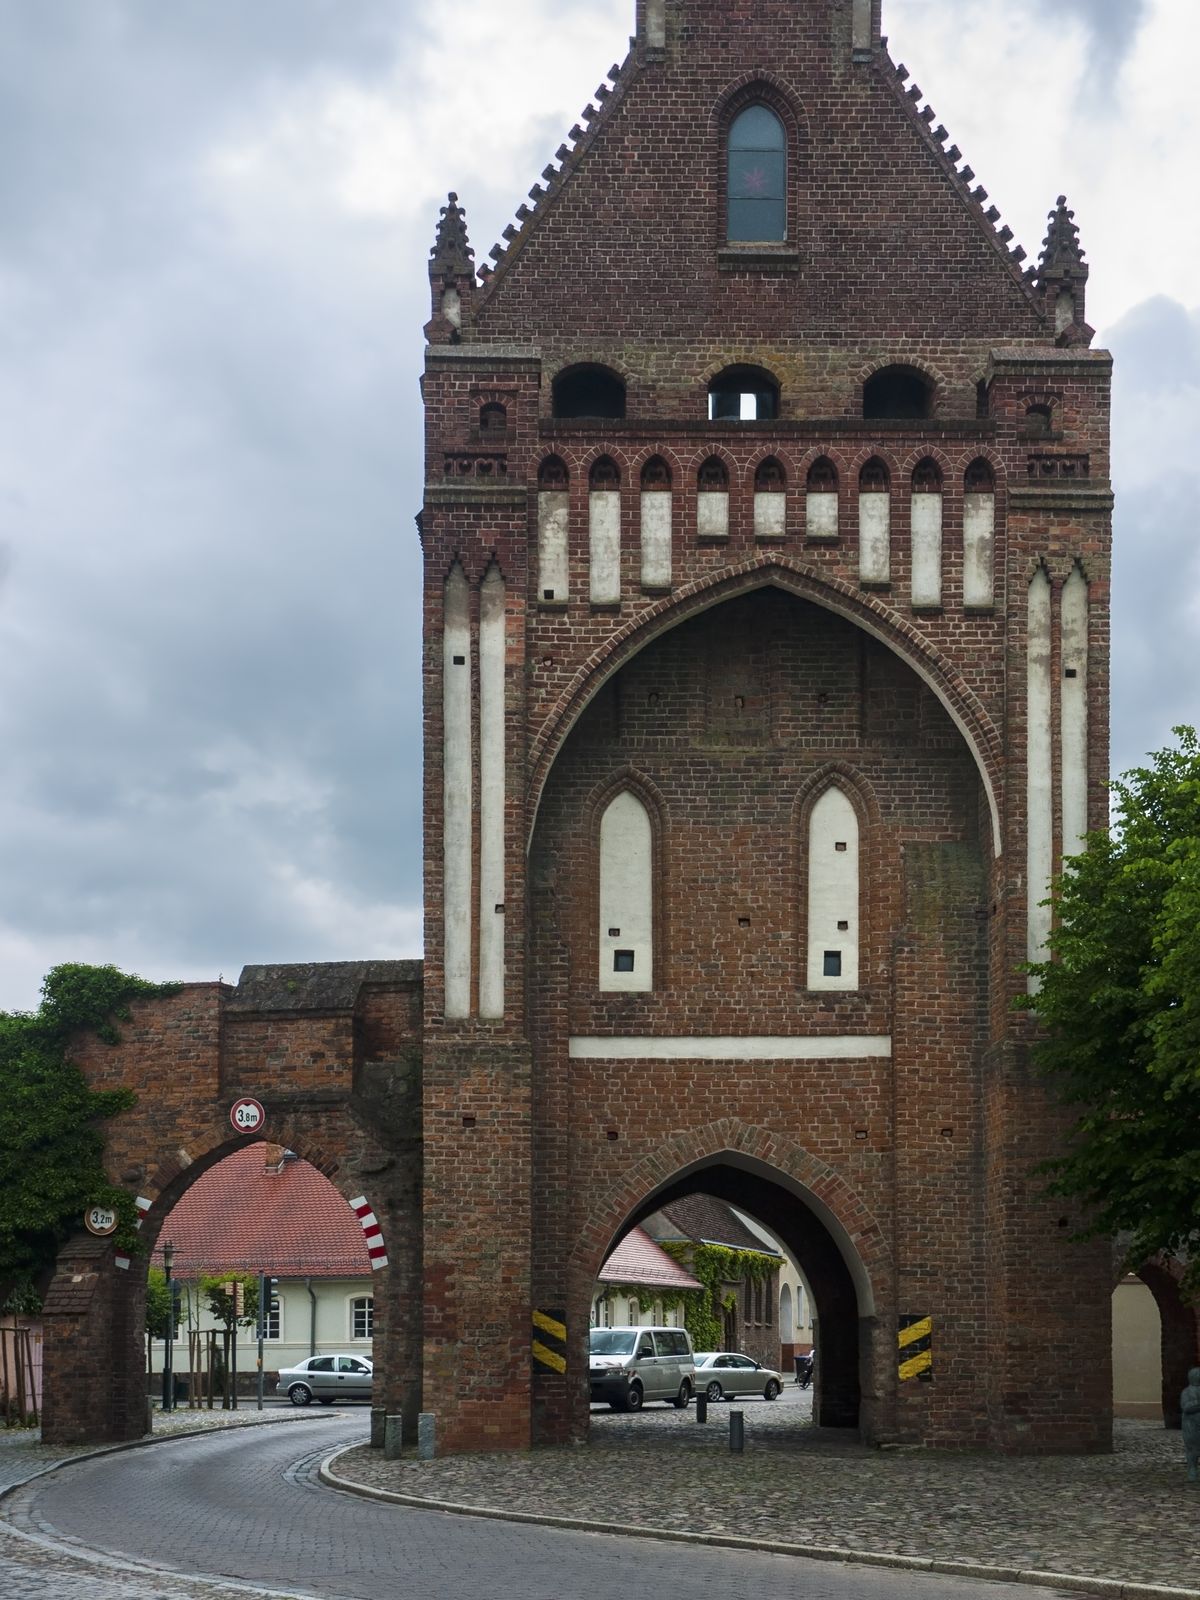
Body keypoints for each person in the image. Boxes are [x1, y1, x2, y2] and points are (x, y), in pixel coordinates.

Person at [1182, 1367, 1200, 1483]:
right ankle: (1192, 1470)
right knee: (1192, 1449)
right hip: (1191, 1425)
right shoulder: (1187, 1392)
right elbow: (1186, 1407)